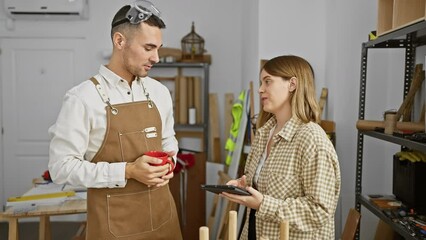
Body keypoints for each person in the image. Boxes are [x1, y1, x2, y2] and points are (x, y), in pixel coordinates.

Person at [48, 1, 182, 239]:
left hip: (164, 221)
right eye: (149, 48)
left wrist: (169, 162)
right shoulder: (82, 98)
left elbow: (169, 142)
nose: (157, 57)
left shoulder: (159, 92)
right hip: (113, 229)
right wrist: (128, 171)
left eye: (159, 48)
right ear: (120, 41)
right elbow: (61, 168)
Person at [221, 55, 341, 239]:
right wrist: (244, 187)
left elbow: (319, 211)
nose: (260, 89)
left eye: (268, 82)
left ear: (292, 84)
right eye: (261, 82)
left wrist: (263, 204)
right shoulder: (263, 134)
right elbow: (269, 189)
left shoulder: (312, 140)